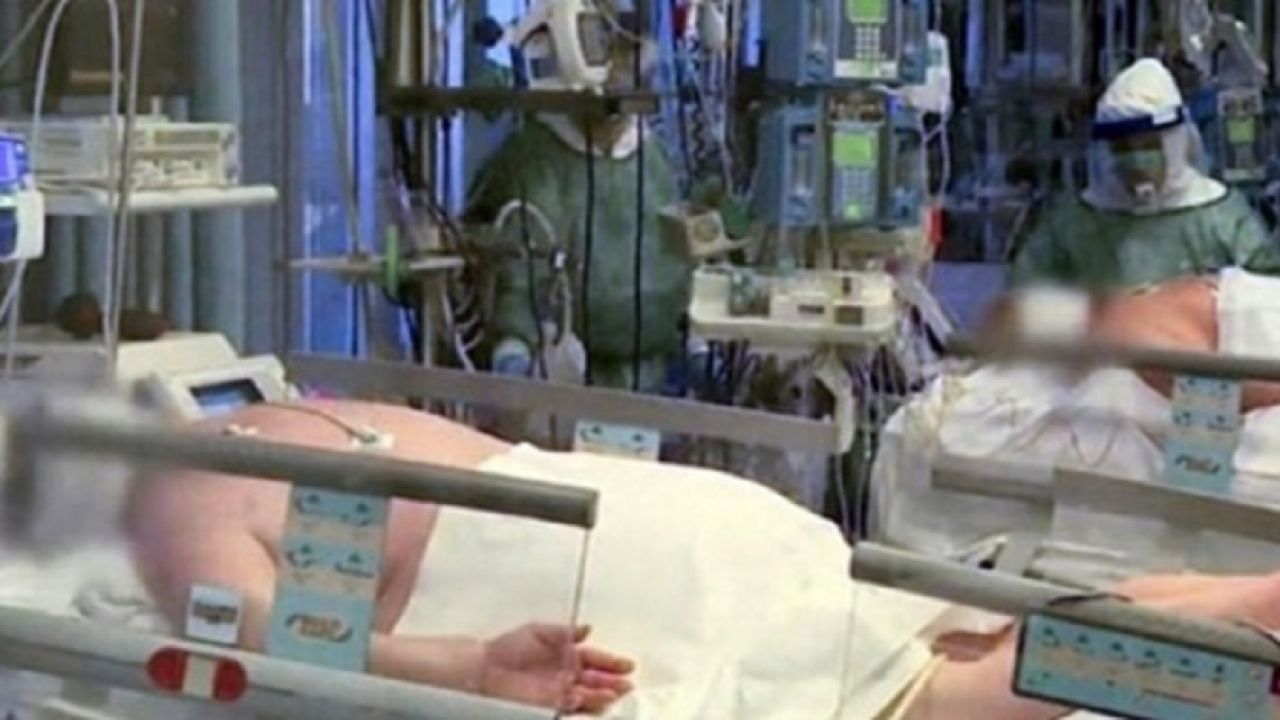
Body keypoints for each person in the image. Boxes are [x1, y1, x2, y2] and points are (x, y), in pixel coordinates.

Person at [125, 399, 1280, 718]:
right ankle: (1234, 620)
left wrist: (467, 669)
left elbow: (273, 635)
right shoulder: (297, 412)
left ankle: (1222, 657)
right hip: (668, 516)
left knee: (924, 692)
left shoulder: (173, 491)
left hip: (580, 556)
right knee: (943, 646)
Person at [466, 5, 692, 394]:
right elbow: (516, 276)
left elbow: (676, 257)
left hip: (657, 374)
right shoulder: (535, 160)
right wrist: (512, 356)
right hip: (566, 380)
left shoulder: (652, 159)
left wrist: (697, 339)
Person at [1009, 58, 1280, 291]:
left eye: (1149, 145)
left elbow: (1265, 298)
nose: (1136, 160)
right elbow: (1024, 301)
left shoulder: (1221, 219)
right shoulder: (1074, 223)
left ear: (1175, 144)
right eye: (1122, 147)